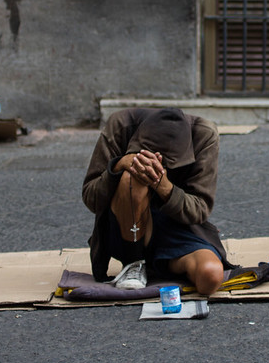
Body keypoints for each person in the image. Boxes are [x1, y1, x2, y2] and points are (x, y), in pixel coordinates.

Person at [82, 107, 234, 295]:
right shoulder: (120, 125)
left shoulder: (204, 135)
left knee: (210, 275)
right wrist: (119, 165)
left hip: (176, 224)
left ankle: (160, 263)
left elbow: (200, 209)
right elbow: (91, 198)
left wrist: (163, 185)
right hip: (125, 224)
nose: (155, 165)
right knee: (132, 178)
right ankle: (134, 262)